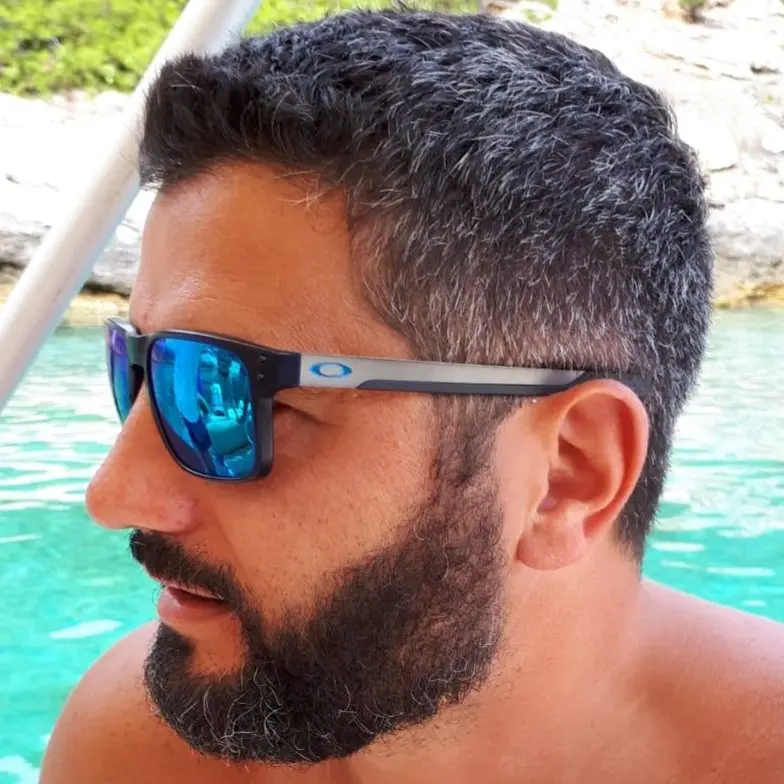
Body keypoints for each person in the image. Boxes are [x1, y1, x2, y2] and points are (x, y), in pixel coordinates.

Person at [41, 9, 784, 784]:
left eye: (222, 388)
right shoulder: (136, 751)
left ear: (568, 474)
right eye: (141, 370)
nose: (113, 495)